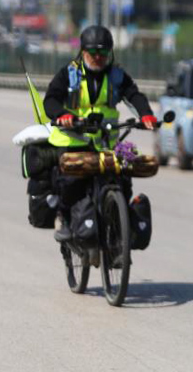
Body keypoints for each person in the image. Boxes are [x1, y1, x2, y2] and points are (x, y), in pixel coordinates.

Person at [44, 25, 157, 242]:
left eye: (103, 53)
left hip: (106, 140)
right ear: (83, 52)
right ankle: (65, 218)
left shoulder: (116, 76)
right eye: (93, 53)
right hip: (73, 139)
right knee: (71, 181)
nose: (98, 57)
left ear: (110, 53)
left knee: (122, 179)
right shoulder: (70, 74)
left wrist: (147, 115)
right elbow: (51, 99)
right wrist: (62, 115)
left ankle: (118, 226)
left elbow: (134, 95)